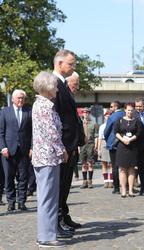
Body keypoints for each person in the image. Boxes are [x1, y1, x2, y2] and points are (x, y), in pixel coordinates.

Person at [32, 71, 68, 248]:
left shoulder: (41, 105)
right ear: (47, 88)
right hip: (48, 157)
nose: (57, 90)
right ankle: (45, 237)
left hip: (45, 157)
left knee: (48, 197)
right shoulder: (44, 107)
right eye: (54, 86)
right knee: (48, 198)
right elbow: (51, 133)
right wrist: (63, 150)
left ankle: (46, 234)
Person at [53, 49, 81, 237]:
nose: (73, 67)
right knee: (59, 186)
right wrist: (61, 146)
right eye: (70, 64)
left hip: (69, 145)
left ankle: (61, 218)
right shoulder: (54, 84)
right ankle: (55, 222)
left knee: (65, 185)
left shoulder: (63, 84)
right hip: (63, 145)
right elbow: (56, 119)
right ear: (60, 63)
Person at [0, 89, 32, 211]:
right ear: (13, 99)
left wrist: (32, 148)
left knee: (23, 177)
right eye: (18, 98)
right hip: (8, 150)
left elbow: (33, 132)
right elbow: (1, 132)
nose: (20, 100)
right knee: (9, 177)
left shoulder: (28, 112)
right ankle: (11, 202)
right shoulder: (4, 112)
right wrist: (3, 147)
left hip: (24, 150)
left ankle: (22, 202)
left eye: (22, 98)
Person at [114, 103, 142, 198]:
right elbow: (116, 132)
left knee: (131, 169)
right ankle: (123, 190)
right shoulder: (119, 120)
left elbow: (138, 133)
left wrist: (130, 139)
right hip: (122, 147)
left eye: (131, 110)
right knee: (122, 169)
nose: (130, 112)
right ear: (125, 110)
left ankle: (130, 190)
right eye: (128, 110)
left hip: (132, 147)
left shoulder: (137, 121)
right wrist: (123, 139)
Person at [104, 101, 125, 194]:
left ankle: (116, 188)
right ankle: (127, 187)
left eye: (111, 106)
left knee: (115, 166)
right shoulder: (126, 114)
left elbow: (106, 131)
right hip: (126, 143)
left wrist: (108, 140)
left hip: (114, 143)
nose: (110, 108)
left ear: (116, 107)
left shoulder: (112, 117)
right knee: (126, 166)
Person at [66, 72, 80, 182]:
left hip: (72, 146)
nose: (77, 87)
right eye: (75, 84)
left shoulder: (70, 97)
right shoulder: (64, 96)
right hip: (66, 145)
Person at [79, 107, 98, 189]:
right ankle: (84, 181)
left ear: (89, 113)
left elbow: (96, 136)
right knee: (83, 164)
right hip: (82, 145)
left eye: (87, 112)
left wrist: (96, 146)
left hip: (90, 144)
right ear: (82, 114)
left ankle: (90, 181)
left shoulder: (94, 123)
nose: (86, 114)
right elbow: (78, 136)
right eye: (84, 112)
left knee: (90, 163)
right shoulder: (80, 123)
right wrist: (78, 147)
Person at [98, 111, 113, 188]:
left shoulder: (113, 125)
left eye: (109, 115)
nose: (107, 117)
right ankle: (105, 181)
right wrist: (98, 149)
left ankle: (111, 181)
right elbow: (99, 138)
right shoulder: (102, 126)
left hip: (110, 142)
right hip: (103, 142)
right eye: (106, 115)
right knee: (104, 163)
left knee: (111, 163)